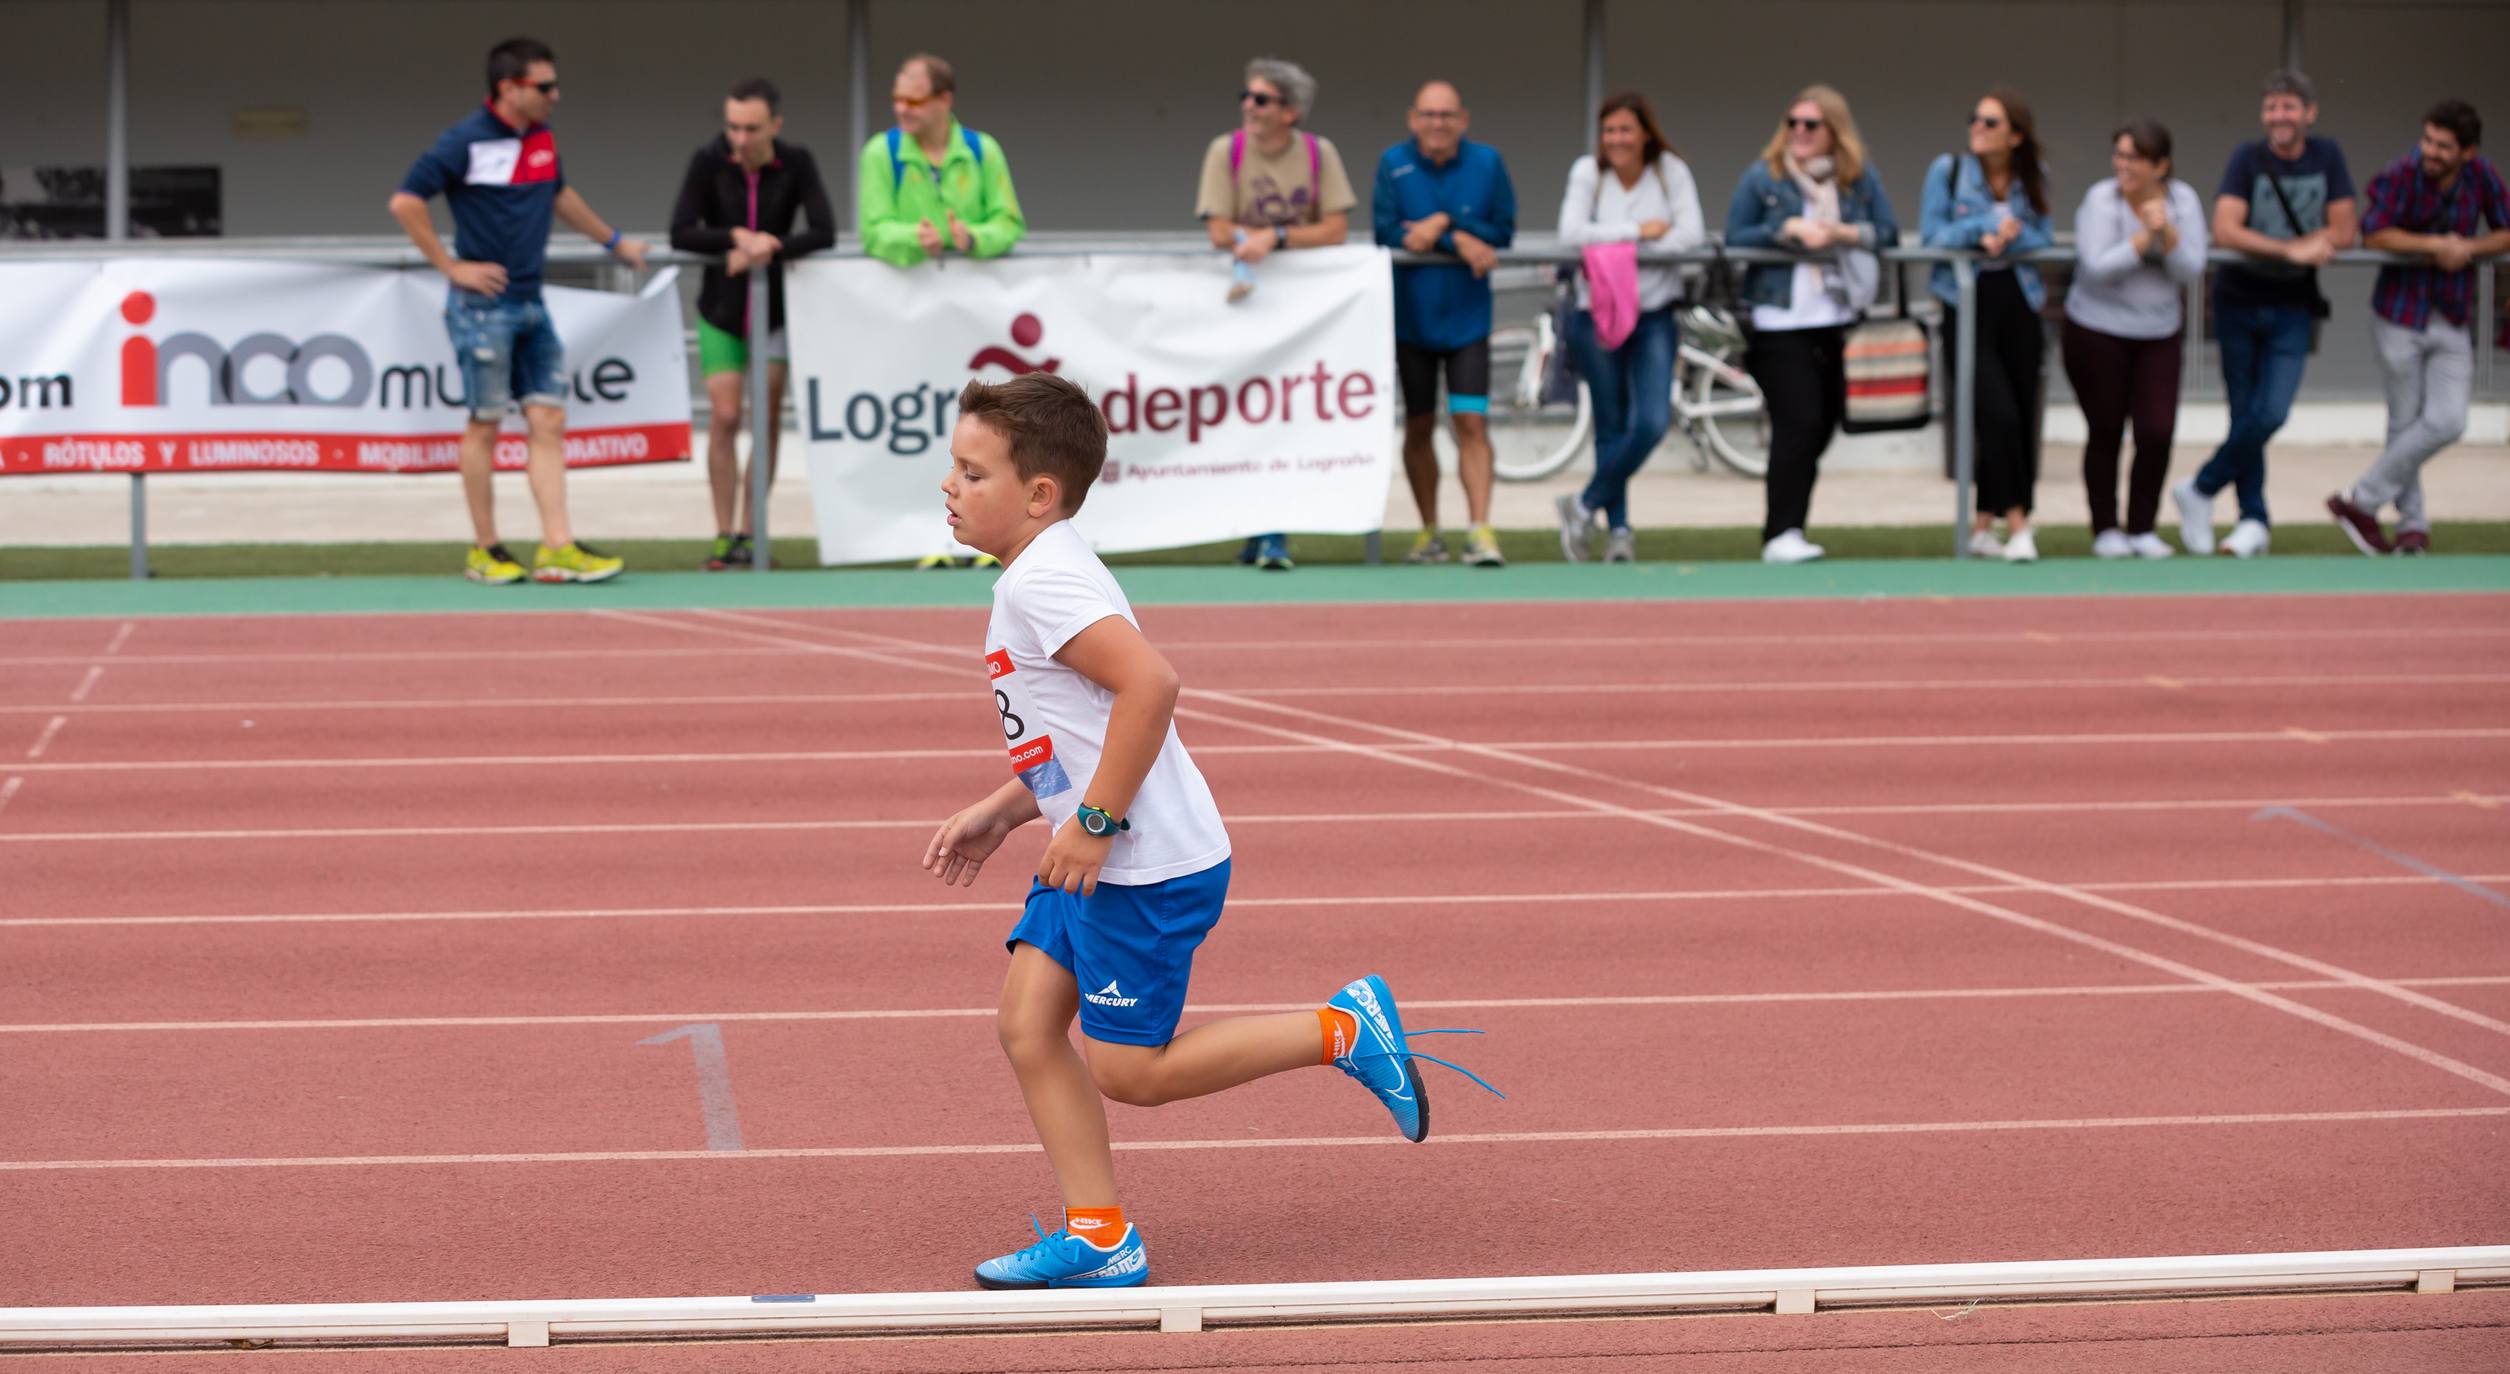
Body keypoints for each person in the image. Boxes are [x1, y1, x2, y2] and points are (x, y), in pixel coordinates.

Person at [924, 373, 1498, 1290]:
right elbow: (1080, 724)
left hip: (1137, 867)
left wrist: (1099, 823)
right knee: (1029, 1028)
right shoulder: (1037, 570)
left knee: (1133, 1073)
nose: (949, 486)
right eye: (953, 467)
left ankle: (1343, 1031)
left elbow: (1151, 685)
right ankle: (1101, 1235)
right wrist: (1009, 807)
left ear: (1039, 494)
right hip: (1096, 855)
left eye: (971, 472)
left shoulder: (1044, 581)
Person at [390, 36, 643, 585]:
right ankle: (487, 549)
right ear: (508, 88)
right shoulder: (464, 141)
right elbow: (406, 201)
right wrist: (450, 267)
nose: (556, 95)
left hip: (532, 302)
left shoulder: (543, 139)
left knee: (548, 419)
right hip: (482, 307)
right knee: (484, 424)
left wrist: (614, 242)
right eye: (545, 86)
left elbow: (559, 194)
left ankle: (558, 546)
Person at [2173, 70, 2358, 559]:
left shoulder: (2328, 156)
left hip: (2293, 306)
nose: (2280, 115)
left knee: (2270, 411)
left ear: (2309, 114)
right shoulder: (2246, 158)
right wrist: (2290, 250)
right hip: (2238, 300)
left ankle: (2201, 488)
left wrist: (2306, 249)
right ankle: (2253, 518)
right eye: (2273, 107)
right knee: (2244, 412)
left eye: (2290, 106)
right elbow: (2226, 230)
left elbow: (2343, 229)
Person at [857, 52, 1027, 569]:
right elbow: (874, 229)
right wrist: (918, 239)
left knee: (986, 429)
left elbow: (1009, 222)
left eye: (914, 99)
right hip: (909, 320)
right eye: (896, 99)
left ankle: (990, 535)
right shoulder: (880, 152)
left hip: (975, 319)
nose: (901, 109)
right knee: (921, 420)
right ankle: (924, 535)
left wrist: (972, 237)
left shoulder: (982, 150)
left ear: (944, 99)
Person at [1724, 84, 1899, 565]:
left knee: (1822, 425)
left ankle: (1790, 526)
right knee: (1796, 422)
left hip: (1836, 319)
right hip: (1777, 320)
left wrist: (1843, 232)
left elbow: (1886, 231)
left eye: (1811, 125)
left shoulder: (1858, 180)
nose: (1799, 132)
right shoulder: (1764, 177)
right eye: (1792, 123)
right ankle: (1781, 531)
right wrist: (1785, 230)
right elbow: (1735, 234)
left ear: (1834, 132)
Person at [2328, 99, 2510, 557]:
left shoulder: (2481, 175)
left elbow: (2506, 230)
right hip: (2399, 313)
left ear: (2466, 152)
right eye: (2428, 139)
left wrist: (2468, 247)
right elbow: (2374, 233)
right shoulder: (2400, 173)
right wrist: (2434, 245)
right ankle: (2412, 527)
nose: (2430, 150)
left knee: (2448, 421)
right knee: (2404, 422)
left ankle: (2360, 500)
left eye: (2443, 146)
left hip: (2451, 312)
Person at [670, 77, 838, 572]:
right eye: (732, 127)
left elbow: (824, 230)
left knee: (763, 420)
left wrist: (772, 245)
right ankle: (723, 535)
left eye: (751, 129)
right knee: (724, 417)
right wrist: (736, 239)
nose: (739, 139)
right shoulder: (707, 161)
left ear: (774, 126)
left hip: (776, 314)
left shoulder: (797, 161)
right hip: (720, 311)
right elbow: (681, 230)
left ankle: (750, 531)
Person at [1197, 57, 1356, 571]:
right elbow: (1219, 230)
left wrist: (1278, 237)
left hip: (1304, 313)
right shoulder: (1227, 151)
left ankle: (1274, 531)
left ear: (1290, 111)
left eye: (1261, 99)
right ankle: (1253, 526)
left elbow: (1335, 228)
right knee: (1244, 414)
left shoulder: (1319, 153)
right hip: (1245, 305)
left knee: (1289, 414)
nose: (1249, 107)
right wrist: (1255, 242)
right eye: (1246, 97)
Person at [1550, 92, 1707, 565]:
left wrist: (1613, 242)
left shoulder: (1670, 172)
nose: (1617, 139)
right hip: (1595, 311)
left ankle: (1583, 504)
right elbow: (1571, 233)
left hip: (1653, 312)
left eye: (1625, 129)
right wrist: (1641, 234)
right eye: (1609, 130)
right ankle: (1618, 532)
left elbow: (1689, 237)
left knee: (1652, 421)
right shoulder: (1588, 173)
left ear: (1645, 133)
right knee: (1611, 422)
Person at [1374, 80, 1517, 568]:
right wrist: (1450, 237)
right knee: (1418, 426)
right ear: (1414, 119)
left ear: (1463, 119)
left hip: (1468, 322)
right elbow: (1387, 231)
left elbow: (1503, 228)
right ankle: (1428, 531)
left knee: (1471, 422)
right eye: (1429, 114)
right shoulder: (1393, 162)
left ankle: (1480, 530)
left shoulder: (1488, 163)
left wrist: (1444, 228)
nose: (1438, 123)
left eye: (1447, 115)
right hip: (1410, 323)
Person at [2062, 120, 2209, 559]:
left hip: (2158, 332)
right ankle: (2106, 528)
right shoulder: (2100, 200)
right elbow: (2095, 267)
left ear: (2161, 165)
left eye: (2135, 158)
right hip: (2096, 329)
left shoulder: (2183, 201)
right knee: (2106, 429)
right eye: (2120, 155)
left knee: (2157, 429)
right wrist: (2144, 239)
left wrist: (2167, 234)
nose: (2124, 165)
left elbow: (2192, 270)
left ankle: (2143, 527)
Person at [1923, 88, 2054, 563]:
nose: (1978, 126)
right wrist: (1979, 232)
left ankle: (1982, 526)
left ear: (2015, 136)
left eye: (1991, 121)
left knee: (2019, 414)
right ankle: (2019, 524)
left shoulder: (2031, 175)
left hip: (2019, 300)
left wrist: (2014, 236)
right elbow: (1933, 234)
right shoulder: (1948, 170)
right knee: (1995, 412)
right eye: (1975, 118)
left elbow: (2043, 233)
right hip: (1966, 299)